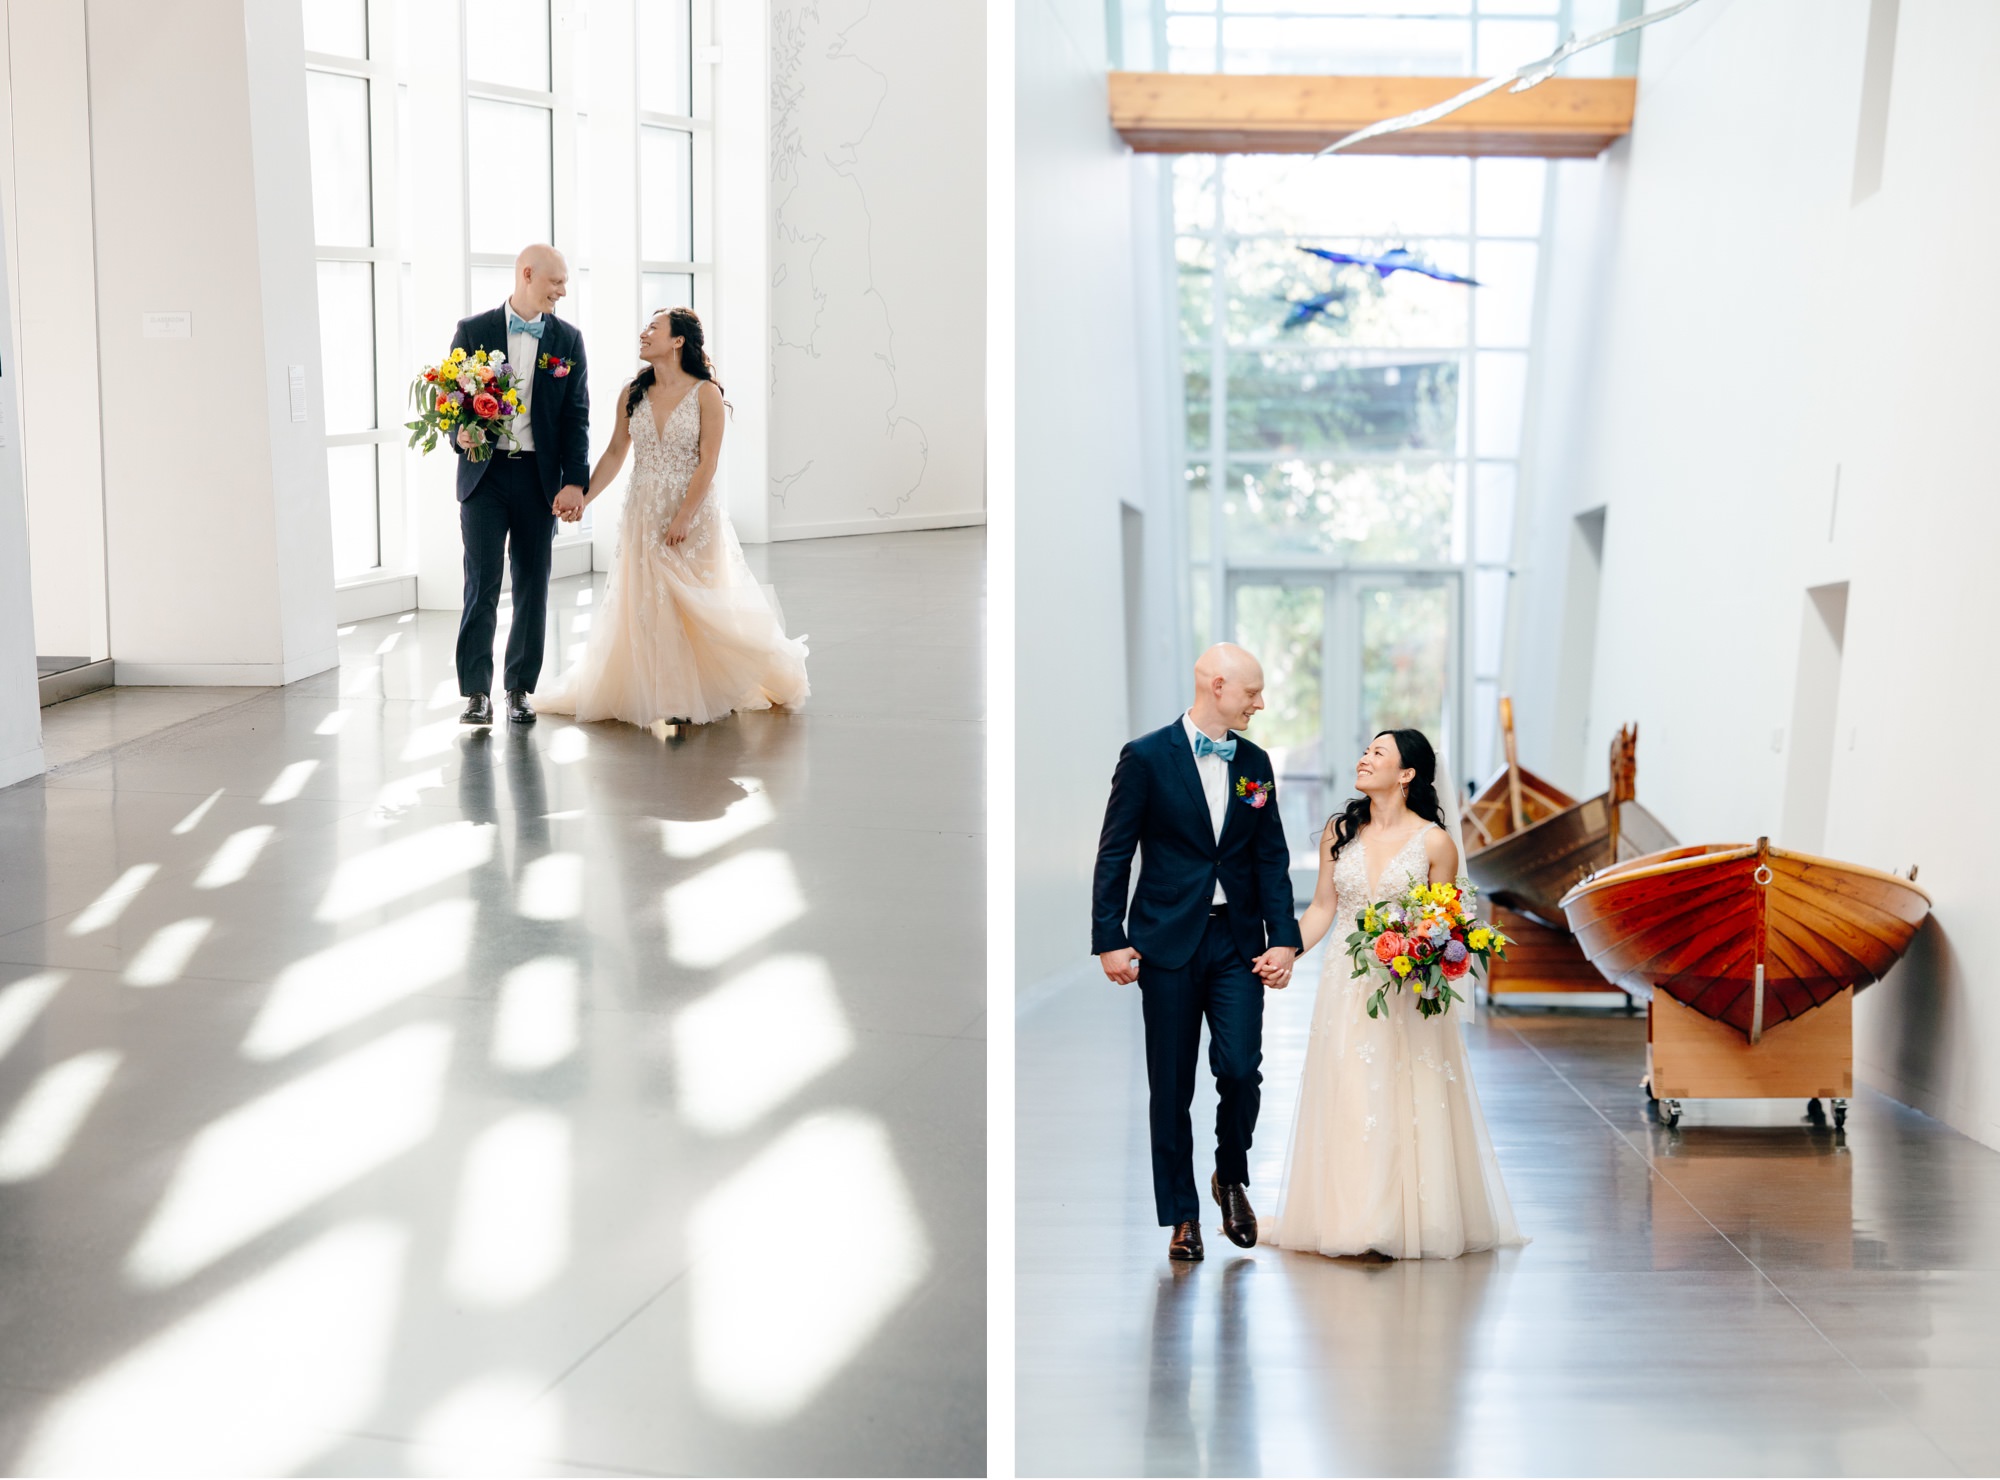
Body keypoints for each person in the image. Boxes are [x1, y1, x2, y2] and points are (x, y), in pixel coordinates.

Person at [1265, 728, 1528, 1260]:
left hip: (1403, 988)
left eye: (1377, 753)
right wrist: (1287, 949)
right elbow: (1321, 908)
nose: (1364, 758)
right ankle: (1351, 1217)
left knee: (1401, 1093)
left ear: (1406, 774)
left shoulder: (1434, 842)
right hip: (1346, 981)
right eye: (1364, 751)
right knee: (1351, 1090)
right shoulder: (1340, 831)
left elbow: (1445, 922)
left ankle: (1401, 1220)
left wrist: (1421, 953)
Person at [1092, 644, 1303, 1263]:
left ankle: (1229, 1175)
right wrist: (1110, 936)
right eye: (1253, 692)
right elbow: (1115, 852)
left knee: (1240, 1069)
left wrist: (1283, 938)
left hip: (1237, 941)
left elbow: (1271, 856)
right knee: (1171, 1084)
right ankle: (1182, 1215)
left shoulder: (1255, 763)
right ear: (1218, 686)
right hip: (1166, 941)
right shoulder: (1147, 757)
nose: (1260, 703)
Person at [532, 307, 808, 726]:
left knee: (691, 605)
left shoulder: (705, 394)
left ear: (678, 341)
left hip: (691, 513)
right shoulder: (633, 393)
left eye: (653, 328)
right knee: (646, 603)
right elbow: (613, 453)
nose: (644, 334)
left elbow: (708, 463)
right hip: (642, 509)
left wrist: (683, 517)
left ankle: (693, 693)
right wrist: (583, 497)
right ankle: (661, 694)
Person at [451, 244, 590, 727]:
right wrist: (459, 432)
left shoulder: (568, 341)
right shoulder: (473, 332)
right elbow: (454, 404)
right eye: (556, 282)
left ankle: (518, 689)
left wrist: (576, 483)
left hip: (538, 480)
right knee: (481, 585)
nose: (563, 291)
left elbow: (577, 420)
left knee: (533, 585)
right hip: (485, 476)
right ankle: (475, 692)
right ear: (527, 275)